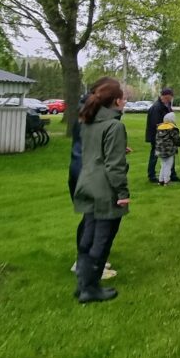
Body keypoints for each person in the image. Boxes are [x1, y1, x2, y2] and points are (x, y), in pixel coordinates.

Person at [72, 77, 131, 303]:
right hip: (106, 189)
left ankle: (83, 284)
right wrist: (123, 194)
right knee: (102, 239)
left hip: (86, 183)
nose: (125, 102)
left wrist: (117, 147)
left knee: (88, 235)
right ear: (116, 101)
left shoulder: (88, 121)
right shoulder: (115, 126)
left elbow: (95, 151)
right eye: (123, 98)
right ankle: (91, 288)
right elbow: (114, 167)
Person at [69, 87, 117, 281]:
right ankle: (89, 264)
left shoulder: (86, 113)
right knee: (97, 221)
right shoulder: (95, 117)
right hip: (89, 174)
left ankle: (88, 261)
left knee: (92, 219)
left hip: (80, 171)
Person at [147, 88, 180, 184]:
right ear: (165, 96)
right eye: (169, 98)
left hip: (166, 135)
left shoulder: (167, 105)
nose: (170, 100)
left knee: (170, 154)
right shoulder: (157, 107)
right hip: (158, 136)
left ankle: (172, 174)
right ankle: (151, 175)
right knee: (155, 155)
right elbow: (155, 124)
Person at [155, 112, 180, 185]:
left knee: (163, 164)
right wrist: (179, 144)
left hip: (160, 149)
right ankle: (166, 180)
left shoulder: (159, 127)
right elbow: (176, 139)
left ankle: (161, 180)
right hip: (169, 150)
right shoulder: (172, 128)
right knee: (168, 165)